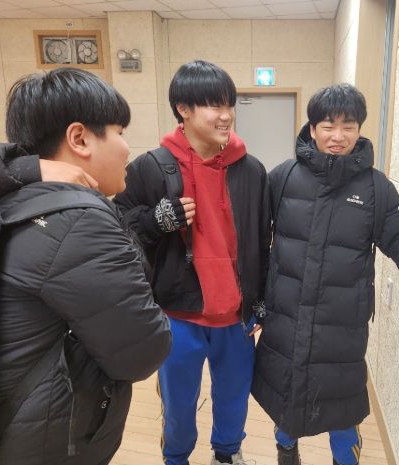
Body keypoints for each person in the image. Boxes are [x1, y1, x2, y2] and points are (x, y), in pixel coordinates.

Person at [0, 67, 172, 465]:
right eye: (120, 131)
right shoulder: (81, 221)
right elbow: (142, 353)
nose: (127, 148)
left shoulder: (8, 199)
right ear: (79, 138)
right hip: (45, 443)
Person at [251, 83, 399, 465]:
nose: (338, 136)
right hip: (287, 317)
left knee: (342, 411)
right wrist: (254, 303)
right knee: (286, 398)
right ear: (312, 129)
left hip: (341, 325)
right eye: (328, 126)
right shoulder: (283, 178)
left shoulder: (375, 187)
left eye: (348, 126)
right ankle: (286, 452)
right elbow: (257, 240)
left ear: (359, 129)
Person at [114, 60, 270, 465]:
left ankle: (227, 454)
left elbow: (261, 239)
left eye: (229, 105)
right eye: (214, 105)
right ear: (183, 109)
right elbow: (118, 226)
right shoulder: (151, 167)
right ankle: (177, 457)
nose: (226, 115)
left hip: (235, 314)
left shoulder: (251, 170)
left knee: (234, 396)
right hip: (177, 313)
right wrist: (156, 220)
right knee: (179, 403)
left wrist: (260, 298)